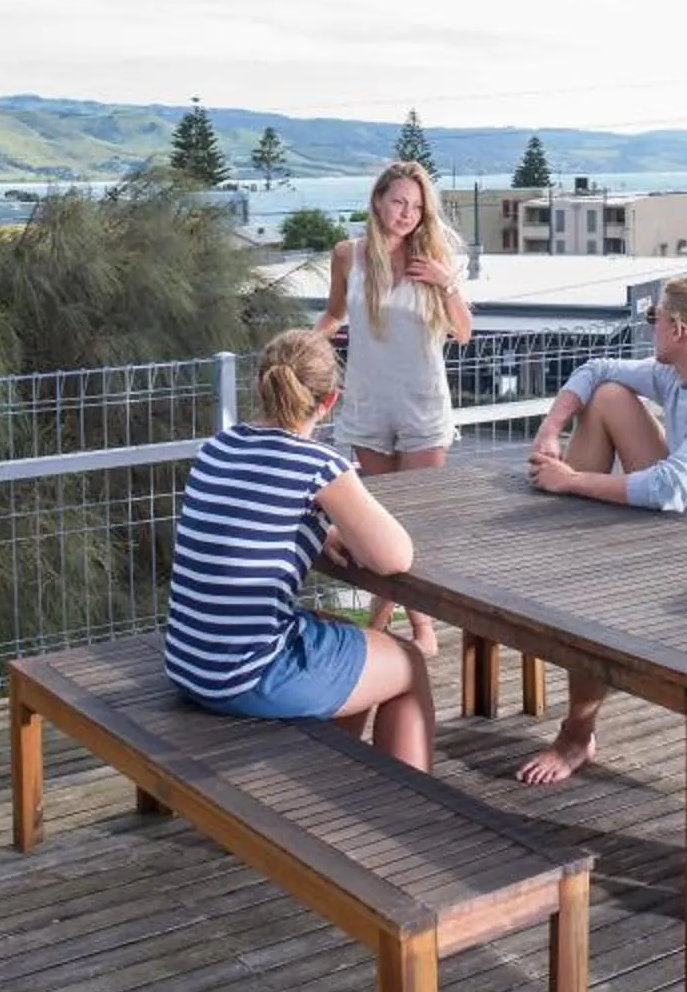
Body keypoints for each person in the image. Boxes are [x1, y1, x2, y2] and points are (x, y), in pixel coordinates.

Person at [515, 273, 687, 784]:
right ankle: (572, 531)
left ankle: (576, 735)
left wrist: (575, 481)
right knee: (610, 395)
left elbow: (673, 488)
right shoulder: (679, 373)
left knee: (588, 594)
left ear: (678, 330)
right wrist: (550, 430)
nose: (649, 328)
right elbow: (596, 368)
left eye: (653, 319)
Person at [163, 329, 437, 769]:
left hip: (189, 662)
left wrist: (320, 530)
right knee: (407, 663)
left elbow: (249, 519)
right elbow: (395, 557)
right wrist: (337, 522)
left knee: (346, 634)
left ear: (260, 386)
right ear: (329, 402)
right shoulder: (318, 465)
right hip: (245, 675)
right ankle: (410, 811)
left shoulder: (216, 448)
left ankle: (325, 769)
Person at [316, 159, 472, 656]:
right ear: (378, 201)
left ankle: (398, 627)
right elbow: (335, 315)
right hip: (366, 401)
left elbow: (463, 332)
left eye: (416, 206)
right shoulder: (348, 255)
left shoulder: (435, 258)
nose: (407, 214)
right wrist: (296, 346)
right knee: (382, 522)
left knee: (417, 521)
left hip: (422, 403)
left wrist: (445, 283)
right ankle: (392, 628)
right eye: (399, 202)